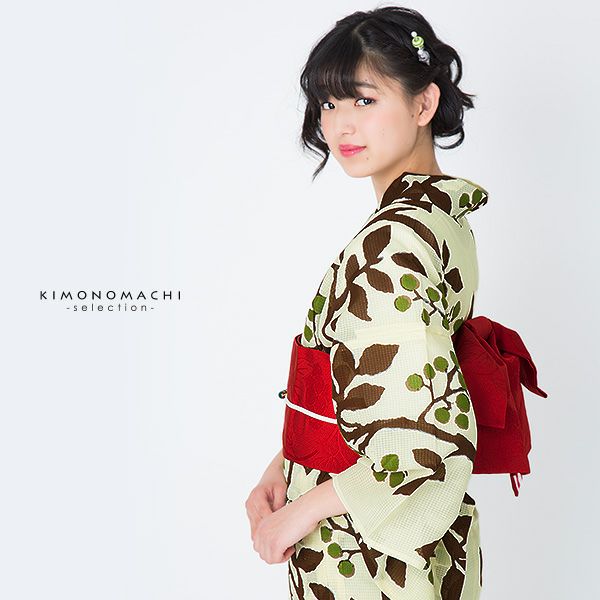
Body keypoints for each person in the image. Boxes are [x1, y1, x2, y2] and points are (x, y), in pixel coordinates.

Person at [246, 6, 486, 599]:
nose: (340, 125)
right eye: (329, 104)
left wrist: (298, 515)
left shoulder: (395, 239)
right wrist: (283, 463)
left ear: (424, 104)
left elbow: (422, 442)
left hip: (368, 556)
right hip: (381, 536)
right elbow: (368, 389)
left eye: (364, 99)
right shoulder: (439, 218)